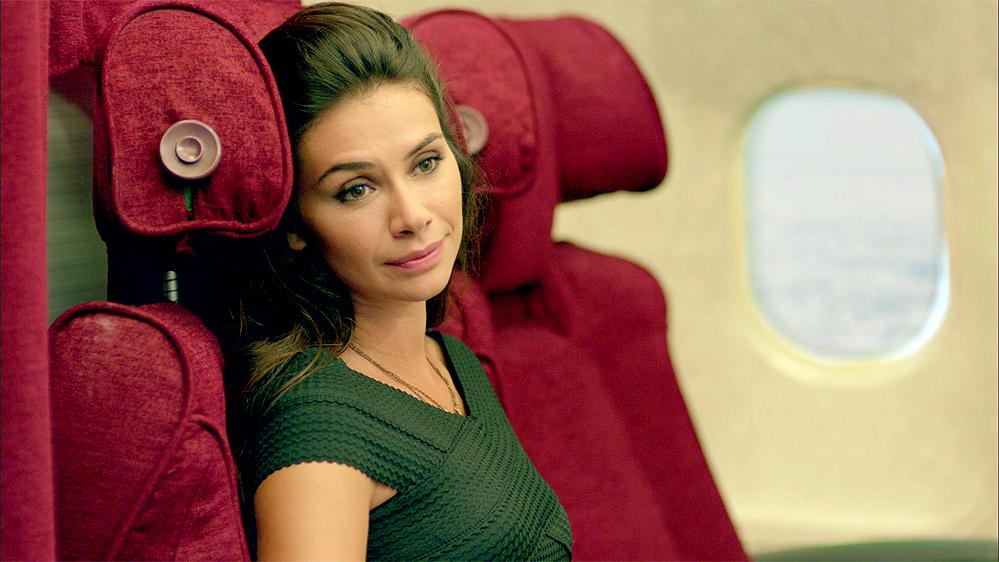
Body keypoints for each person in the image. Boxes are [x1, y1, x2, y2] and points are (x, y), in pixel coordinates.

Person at [225, 2, 573, 559]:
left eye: (425, 163)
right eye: (356, 190)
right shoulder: (318, 433)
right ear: (294, 226)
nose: (411, 216)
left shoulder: (452, 360)